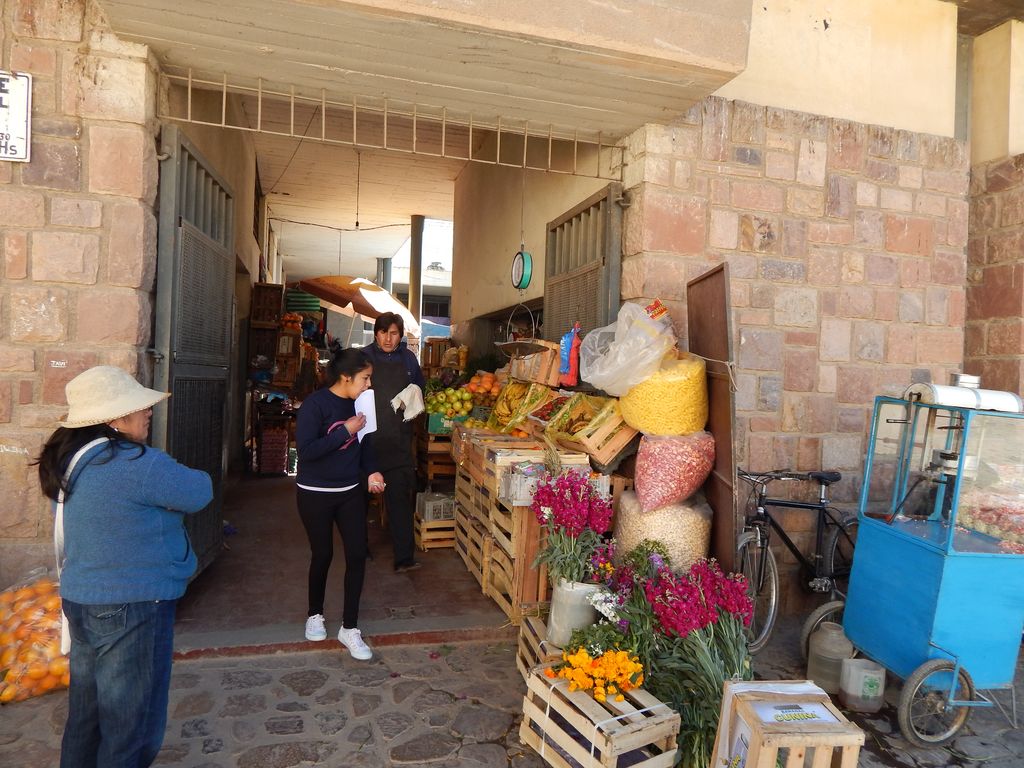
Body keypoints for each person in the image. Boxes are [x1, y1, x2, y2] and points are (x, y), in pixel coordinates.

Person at [35, 365, 213, 768]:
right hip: (134, 603)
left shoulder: (70, 460)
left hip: (82, 600)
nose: (148, 412)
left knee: (87, 716)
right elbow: (199, 490)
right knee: (131, 725)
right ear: (114, 418)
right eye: (139, 407)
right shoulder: (138, 464)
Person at [295, 347, 384, 659]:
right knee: (323, 554)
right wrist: (345, 430)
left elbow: (366, 444)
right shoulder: (315, 405)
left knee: (357, 555)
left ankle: (350, 627)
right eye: (365, 378)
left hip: (349, 492)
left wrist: (372, 471)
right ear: (346, 377)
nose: (368, 384)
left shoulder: (364, 403)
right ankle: (314, 614)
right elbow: (306, 452)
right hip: (314, 492)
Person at [361, 312, 426, 572]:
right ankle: (359, 550)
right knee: (359, 501)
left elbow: (420, 389)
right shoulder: (363, 357)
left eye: (394, 333)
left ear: (400, 336)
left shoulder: (408, 359)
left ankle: (404, 558)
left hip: (398, 441)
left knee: (399, 501)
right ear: (376, 333)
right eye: (383, 332)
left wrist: (414, 397)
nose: (388, 339)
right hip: (367, 441)